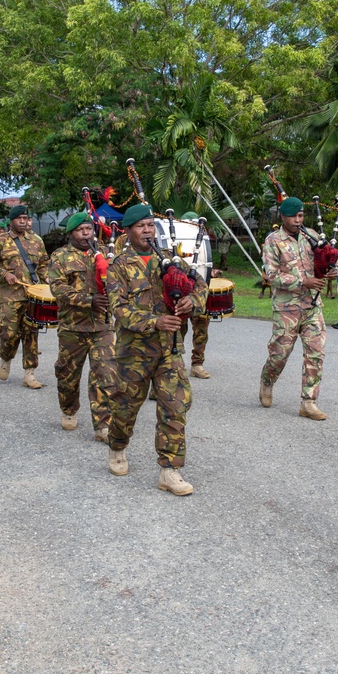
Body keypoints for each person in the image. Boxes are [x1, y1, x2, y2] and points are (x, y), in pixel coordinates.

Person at [105, 204, 207, 495]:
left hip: (170, 351)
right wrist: (155, 321)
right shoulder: (119, 266)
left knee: (175, 407)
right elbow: (119, 309)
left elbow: (200, 285)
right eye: (141, 226)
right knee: (125, 407)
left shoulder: (171, 260)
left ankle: (169, 470)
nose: (148, 230)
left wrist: (192, 301)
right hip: (134, 352)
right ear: (128, 231)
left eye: (151, 225)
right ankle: (118, 446)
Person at [258, 196, 336, 421]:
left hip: (312, 306)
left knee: (316, 352)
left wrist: (333, 269)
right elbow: (271, 275)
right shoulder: (273, 241)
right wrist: (303, 280)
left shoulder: (311, 235)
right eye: (293, 216)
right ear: (282, 217)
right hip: (286, 308)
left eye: (301, 215)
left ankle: (308, 402)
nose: (298, 219)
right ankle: (267, 380)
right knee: (280, 354)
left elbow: (328, 257)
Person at [48, 212, 113, 440]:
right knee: (67, 375)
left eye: (89, 229)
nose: (86, 233)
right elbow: (58, 289)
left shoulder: (104, 253)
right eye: (80, 230)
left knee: (105, 374)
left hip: (102, 326)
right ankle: (68, 409)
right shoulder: (60, 257)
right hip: (72, 327)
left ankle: (103, 425)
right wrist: (88, 300)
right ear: (71, 233)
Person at [0, 205, 49, 388]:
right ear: (11, 221)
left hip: (33, 295)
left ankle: (30, 373)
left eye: (25, 218)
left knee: (31, 334)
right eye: (18, 218)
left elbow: (43, 264)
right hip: (10, 296)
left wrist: (47, 279)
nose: (22, 221)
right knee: (9, 333)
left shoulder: (36, 240)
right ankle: (6, 357)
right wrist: (4, 274)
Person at [177, 211, 215, 379]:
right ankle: (174, 364)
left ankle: (197, 364)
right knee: (178, 330)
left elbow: (204, 263)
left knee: (201, 330)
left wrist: (210, 271)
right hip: (179, 293)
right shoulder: (176, 240)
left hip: (198, 293)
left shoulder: (201, 239)